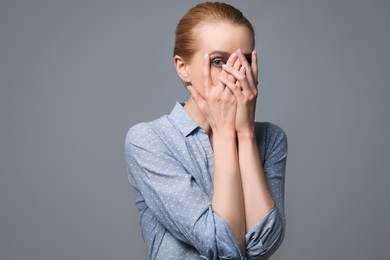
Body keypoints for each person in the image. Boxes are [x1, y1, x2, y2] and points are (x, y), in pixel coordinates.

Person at [125, 2, 288, 259]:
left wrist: (244, 134)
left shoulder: (271, 138)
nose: (235, 75)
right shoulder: (149, 141)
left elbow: (264, 243)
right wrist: (223, 133)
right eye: (219, 61)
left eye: (244, 60)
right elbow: (221, 245)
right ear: (183, 67)